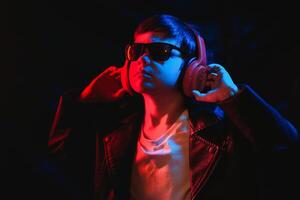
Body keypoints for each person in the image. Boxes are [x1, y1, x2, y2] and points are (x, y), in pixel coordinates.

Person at [47, 14, 299, 200]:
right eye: (137, 50)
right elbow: (61, 152)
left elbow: (285, 149)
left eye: (160, 50)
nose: (143, 58)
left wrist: (232, 96)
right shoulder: (113, 131)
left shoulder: (220, 133)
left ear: (191, 67)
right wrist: (82, 101)